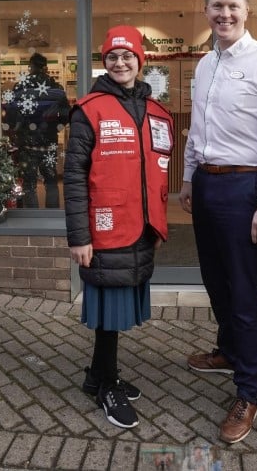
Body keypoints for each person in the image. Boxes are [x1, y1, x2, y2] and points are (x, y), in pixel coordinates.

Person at [179, 0, 257, 444]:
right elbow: (197, 131)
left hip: (246, 188)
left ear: (247, 12)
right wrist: (189, 178)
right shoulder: (205, 65)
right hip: (207, 186)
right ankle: (228, 351)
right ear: (206, 12)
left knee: (244, 293)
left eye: (233, 6)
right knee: (214, 280)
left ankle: (249, 390)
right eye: (217, 7)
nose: (224, 14)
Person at [64, 25, 174, 429]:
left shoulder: (156, 111)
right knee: (109, 309)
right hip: (105, 228)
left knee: (119, 304)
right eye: (112, 56)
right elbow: (74, 177)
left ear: (141, 61)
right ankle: (107, 384)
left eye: (128, 56)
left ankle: (96, 377)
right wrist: (79, 236)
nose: (121, 62)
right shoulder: (89, 109)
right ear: (104, 62)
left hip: (140, 225)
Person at [5, 52, 70, 208]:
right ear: (46, 67)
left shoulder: (20, 86)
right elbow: (66, 114)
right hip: (49, 141)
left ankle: (32, 216)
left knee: (29, 183)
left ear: (31, 67)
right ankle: (52, 214)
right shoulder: (57, 88)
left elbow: (11, 113)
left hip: (27, 144)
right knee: (51, 181)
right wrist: (56, 127)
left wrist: (15, 130)